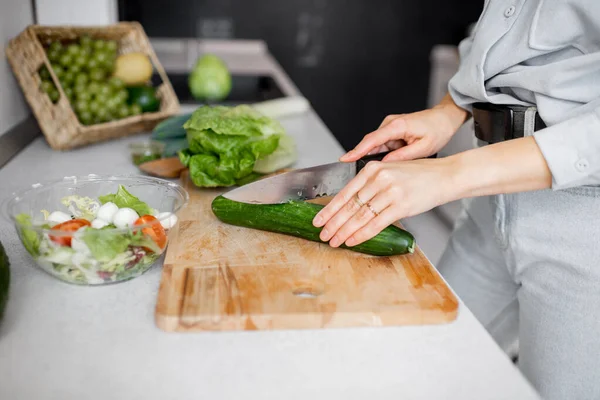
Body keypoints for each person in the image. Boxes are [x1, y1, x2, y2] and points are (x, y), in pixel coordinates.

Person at [312, 1, 600, 398]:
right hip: (492, 201)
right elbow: (500, 32)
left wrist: (449, 174)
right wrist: (449, 111)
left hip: (585, 222)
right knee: (420, 366)